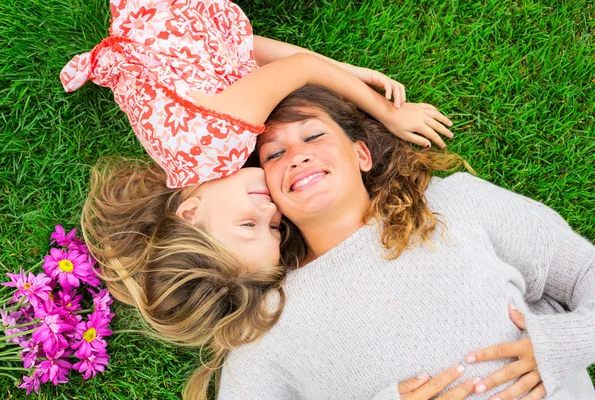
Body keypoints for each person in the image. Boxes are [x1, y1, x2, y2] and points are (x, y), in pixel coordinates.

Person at [71, 1, 455, 399]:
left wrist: (389, 114)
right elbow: (233, 48)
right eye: (273, 228)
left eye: (248, 224)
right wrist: (346, 74)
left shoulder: (221, 141)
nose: (270, 209)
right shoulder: (184, 166)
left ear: (190, 213)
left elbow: (300, 69)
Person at [217, 85, 595, 399]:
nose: (298, 156)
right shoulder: (267, 319)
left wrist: (564, 343)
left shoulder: (454, 204)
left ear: (361, 154)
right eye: (275, 154)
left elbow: (584, 271)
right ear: (269, 193)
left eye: (314, 135)